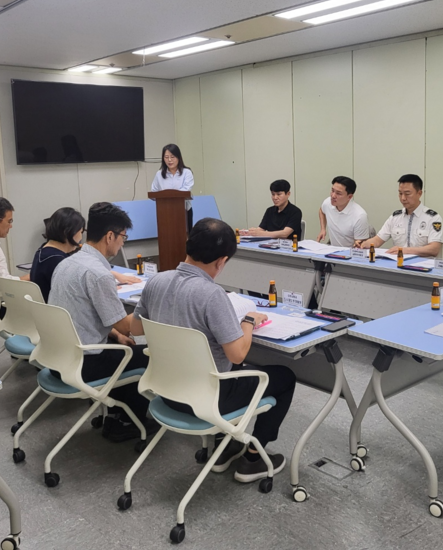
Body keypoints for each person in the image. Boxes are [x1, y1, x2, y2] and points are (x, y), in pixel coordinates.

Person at [131, 218, 296, 483]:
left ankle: (224, 448)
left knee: (226, 366)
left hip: (167, 393)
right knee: (284, 376)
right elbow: (237, 354)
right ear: (221, 261)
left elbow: (136, 328)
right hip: (207, 402)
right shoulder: (212, 294)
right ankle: (253, 458)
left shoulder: (156, 281)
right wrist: (248, 321)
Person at [49, 202, 151, 442]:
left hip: (56, 357)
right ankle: (127, 422)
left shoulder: (66, 263)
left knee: (124, 345)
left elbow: (85, 317)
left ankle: (115, 414)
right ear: (110, 236)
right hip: (83, 364)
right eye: (123, 237)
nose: (123, 243)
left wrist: (116, 335)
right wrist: (157, 311)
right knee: (148, 353)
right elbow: (128, 326)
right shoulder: (98, 274)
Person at [31, 207, 140, 302]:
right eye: (81, 232)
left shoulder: (44, 251)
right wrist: (105, 289)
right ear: (68, 232)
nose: (80, 238)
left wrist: (115, 275)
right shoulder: (59, 261)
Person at [359, 174, 443, 257]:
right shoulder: (395, 217)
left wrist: (404, 250)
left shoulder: (433, 218)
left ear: (419, 193)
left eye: (407, 194)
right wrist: (363, 244)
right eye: (400, 193)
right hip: (398, 263)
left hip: (422, 264)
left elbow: (434, 249)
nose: (403, 198)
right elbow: (377, 240)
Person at [316, 176, 372, 247]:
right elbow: (321, 211)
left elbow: (360, 247)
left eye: (338, 193)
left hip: (350, 252)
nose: (333, 196)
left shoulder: (360, 216)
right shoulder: (328, 202)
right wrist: (323, 229)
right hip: (333, 250)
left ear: (349, 197)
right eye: (332, 191)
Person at [150, 144, 195, 230]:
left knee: (185, 235)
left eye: (172, 157)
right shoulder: (159, 174)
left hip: (184, 210)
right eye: (166, 157)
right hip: (165, 211)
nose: (169, 160)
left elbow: (186, 190)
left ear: (179, 157)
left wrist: (168, 195)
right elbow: (154, 192)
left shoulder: (187, 172)